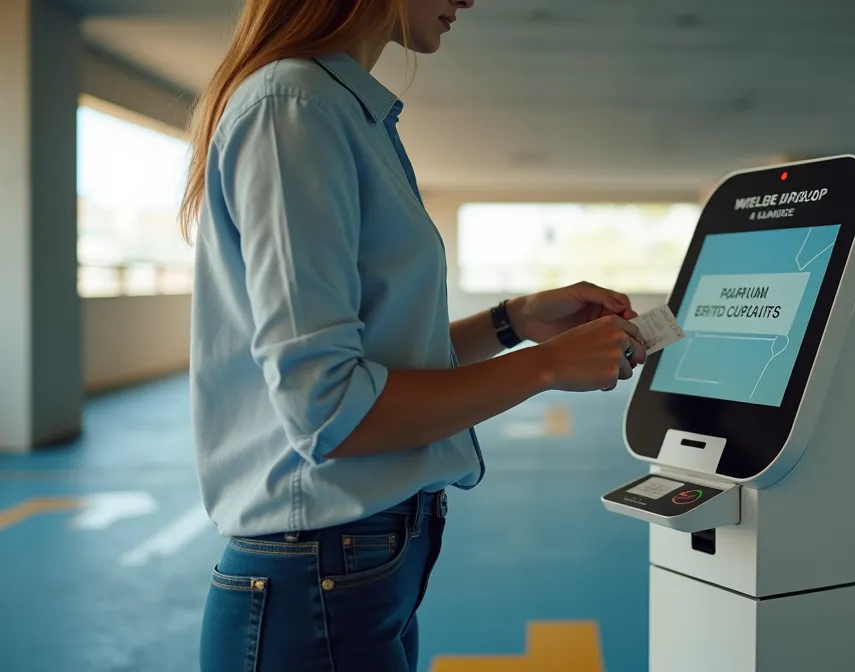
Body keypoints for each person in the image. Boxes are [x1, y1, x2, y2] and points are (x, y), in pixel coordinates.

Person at [178, 1, 648, 669]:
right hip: (321, 569)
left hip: (361, 565)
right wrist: (547, 368)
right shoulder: (295, 106)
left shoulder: (333, 108)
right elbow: (333, 408)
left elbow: (381, 360)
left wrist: (513, 322)